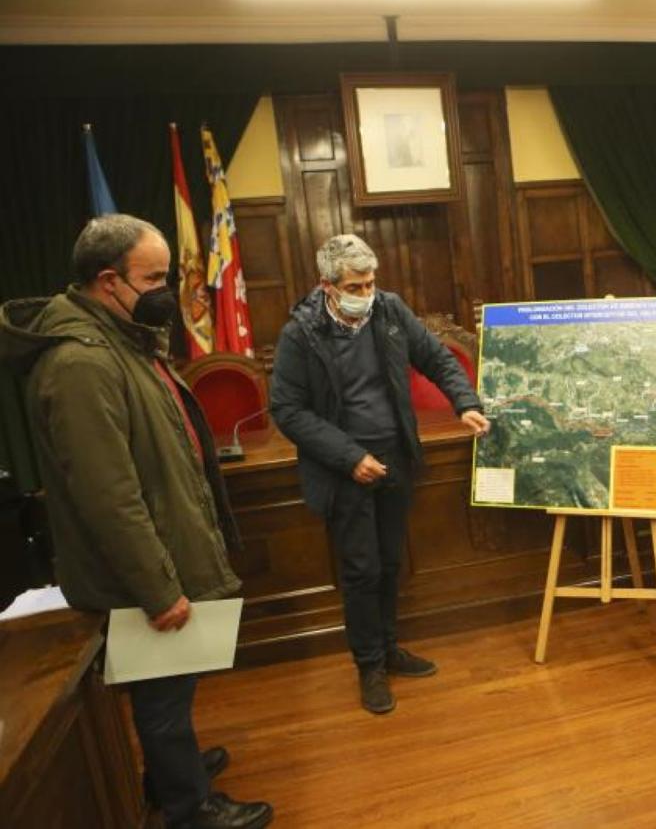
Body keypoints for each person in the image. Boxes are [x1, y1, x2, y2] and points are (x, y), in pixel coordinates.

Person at [0, 215, 273, 829]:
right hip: (138, 571)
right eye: (153, 278)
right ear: (107, 281)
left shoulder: (120, 339)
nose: (166, 291)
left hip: (163, 546)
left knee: (171, 683)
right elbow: (108, 496)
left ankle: (177, 766)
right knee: (160, 688)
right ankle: (186, 805)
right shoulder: (79, 364)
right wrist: (158, 588)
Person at [269, 233, 489, 715]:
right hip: (344, 466)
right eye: (355, 285)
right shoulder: (301, 333)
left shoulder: (389, 310)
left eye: (370, 283)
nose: (365, 294)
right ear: (327, 286)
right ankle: (368, 665)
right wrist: (349, 456)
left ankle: (389, 649)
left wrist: (465, 403)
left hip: (394, 457)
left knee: (391, 562)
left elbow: (434, 358)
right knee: (361, 570)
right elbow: (287, 409)